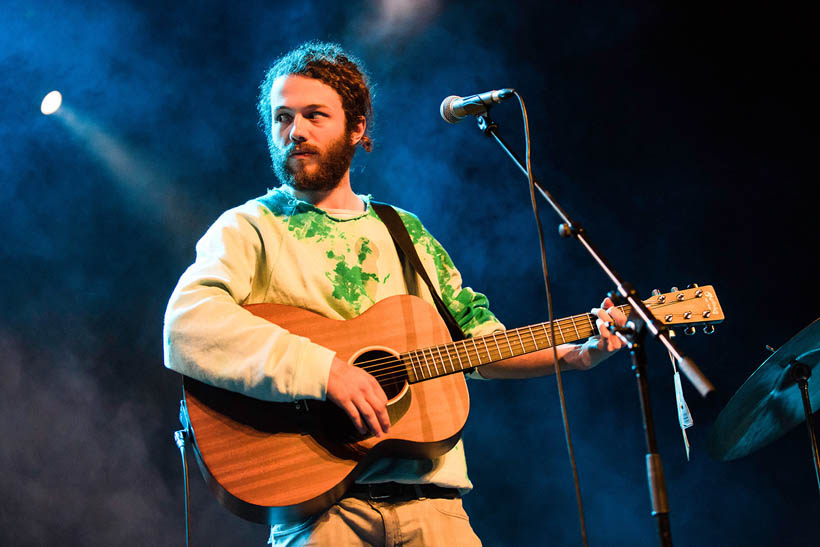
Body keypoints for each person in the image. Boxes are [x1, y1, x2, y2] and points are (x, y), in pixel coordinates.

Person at [163, 41, 626, 546]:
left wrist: (577, 356)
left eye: (315, 115)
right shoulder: (249, 228)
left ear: (357, 126)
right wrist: (325, 372)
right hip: (319, 517)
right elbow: (187, 323)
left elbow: (481, 343)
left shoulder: (404, 231)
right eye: (282, 117)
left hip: (435, 512)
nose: (295, 131)